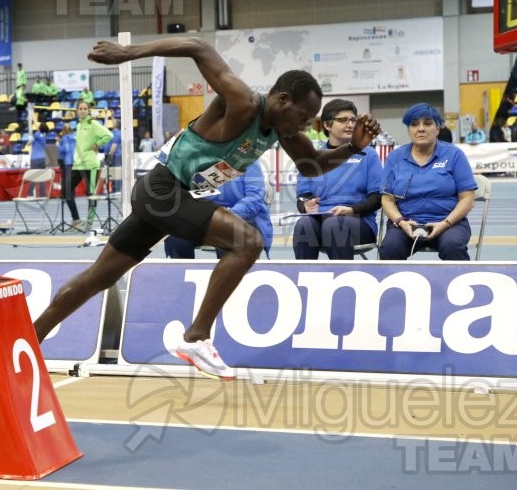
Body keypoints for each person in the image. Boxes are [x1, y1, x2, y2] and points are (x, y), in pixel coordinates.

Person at [31, 37, 380, 379]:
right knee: (248, 242)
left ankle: (29, 339)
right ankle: (196, 338)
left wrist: (353, 147)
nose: (306, 125)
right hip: (162, 190)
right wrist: (129, 53)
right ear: (282, 99)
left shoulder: (281, 130)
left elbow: (311, 164)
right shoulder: (243, 101)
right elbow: (198, 46)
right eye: (304, 116)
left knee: (101, 276)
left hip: (169, 196)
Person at [379, 103, 477, 261]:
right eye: (414, 124)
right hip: (406, 223)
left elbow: (468, 198)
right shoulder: (395, 158)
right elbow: (387, 199)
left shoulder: (454, 155)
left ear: (438, 128)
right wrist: (400, 221)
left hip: (449, 223)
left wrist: (445, 223)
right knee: (389, 247)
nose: (421, 128)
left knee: (452, 245)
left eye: (428, 123)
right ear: (408, 130)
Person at [292, 99, 383, 261]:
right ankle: (305, 281)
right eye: (343, 120)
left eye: (353, 120)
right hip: (320, 219)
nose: (350, 125)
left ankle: (343, 282)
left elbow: (377, 197)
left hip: (359, 222)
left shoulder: (369, 155)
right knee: (303, 225)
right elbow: (303, 195)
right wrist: (306, 205)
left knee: (334, 225)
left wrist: (352, 210)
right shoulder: (312, 156)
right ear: (327, 125)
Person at [165, 162, 272, 259]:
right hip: (204, 218)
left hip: (243, 219)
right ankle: (180, 277)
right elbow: (184, 196)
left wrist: (227, 216)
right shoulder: (196, 161)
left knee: (230, 240)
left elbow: (255, 198)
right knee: (177, 240)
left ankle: (229, 278)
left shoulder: (249, 161)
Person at [62, 101, 112, 231]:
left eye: (85, 108)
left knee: (91, 194)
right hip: (78, 165)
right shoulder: (78, 126)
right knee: (66, 190)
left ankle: (89, 222)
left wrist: (97, 144)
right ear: (77, 110)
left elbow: (108, 135)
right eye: (80, 108)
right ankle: (76, 219)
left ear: (88, 110)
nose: (83, 110)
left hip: (91, 165)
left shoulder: (93, 124)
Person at [27, 122, 48, 197]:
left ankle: (30, 194)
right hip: (43, 158)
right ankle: (43, 194)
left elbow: (29, 143)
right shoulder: (45, 135)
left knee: (33, 176)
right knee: (42, 176)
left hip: (35, 158)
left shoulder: (36, 134)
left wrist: (30, 138)